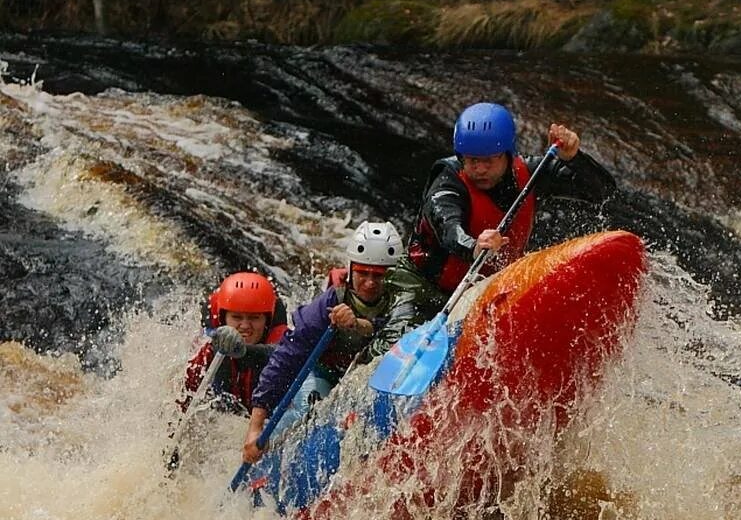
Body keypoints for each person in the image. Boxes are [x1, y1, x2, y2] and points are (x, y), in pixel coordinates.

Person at [366, 102, 618, 358]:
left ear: (508, 155)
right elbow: (448, 227)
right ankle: (364, 361)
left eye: (488, 160)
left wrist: (574, 157)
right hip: (424, 288)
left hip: (487, 290)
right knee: (394, 342)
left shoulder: (530, 174)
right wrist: (473, 245)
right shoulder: (447, 180)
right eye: (472, 160)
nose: (479, 169)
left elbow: (602, 192)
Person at [241, 221, 402, 463]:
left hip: (368, 379)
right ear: (350, 270)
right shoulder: (329, 304)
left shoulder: (401, 301)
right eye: (362, 273)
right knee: (310, 406)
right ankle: (271, 460)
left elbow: (386, 330)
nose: (369, 282)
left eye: (378, 276)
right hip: (324, 375)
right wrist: (256, 426)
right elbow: (287, 357)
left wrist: (357, 325)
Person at [181, 271, 288, 416]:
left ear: (267, 321)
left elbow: (282, 356)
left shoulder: (283, 339)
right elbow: (184, 393)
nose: (244, 326)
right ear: (223, 318)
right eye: (236, 317)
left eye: (254, 318)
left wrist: (244, 350)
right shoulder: (207, 343)